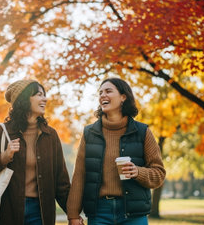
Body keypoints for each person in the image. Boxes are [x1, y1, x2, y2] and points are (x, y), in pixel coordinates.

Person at [67, 78, 166, 225]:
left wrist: (138, 172)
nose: (102, 95)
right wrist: (73, 215)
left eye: (108, 91)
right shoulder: (90, 133)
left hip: (133, 213)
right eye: (100, 92)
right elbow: (79, 175)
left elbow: (159, 174)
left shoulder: (142, 132)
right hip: (99, 212)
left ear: (123, 97)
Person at [0, 79, 71, 225]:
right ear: (24, 99)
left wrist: (72, 214)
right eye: (38, 94)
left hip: (40, 212)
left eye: (44, 95)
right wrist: (3, 158)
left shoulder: (50, 135)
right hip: (7, 211)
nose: (44, 98)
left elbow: (61, 182)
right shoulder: (0, 132)